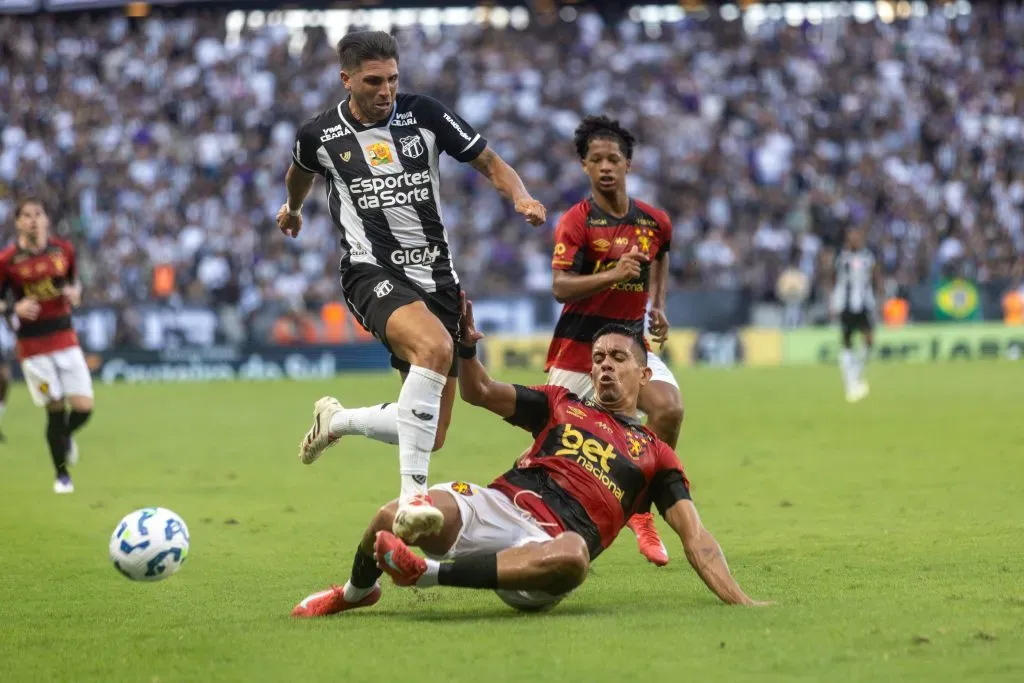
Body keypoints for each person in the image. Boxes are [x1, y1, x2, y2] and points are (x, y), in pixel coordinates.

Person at [291, 296, 767, 617]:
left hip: (547, 549)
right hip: (497, 506)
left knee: (575, 556)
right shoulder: (561, 403)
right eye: (598, 358)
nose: (603, 367)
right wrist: (466, 343)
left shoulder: (657, 455)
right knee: (394, 513)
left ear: (643, 375)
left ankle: (430, 576)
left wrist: (741, 602)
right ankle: (355, 593)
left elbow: (697, 538)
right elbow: (479, 391)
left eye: (618, 359)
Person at [276, 31, 547, 542]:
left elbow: (489, 161)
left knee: (430, 431)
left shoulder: (424, 114)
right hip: (370, 271)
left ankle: (336, 422)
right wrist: (292, 211)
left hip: (437, 279)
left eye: (393, 79)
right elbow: (299, 173)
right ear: (347, 79)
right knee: (434, 346)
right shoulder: (320, 135)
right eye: (374, 81)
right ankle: (412, 499)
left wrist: (521, 197)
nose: (386, 90)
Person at [544, 116, 684, 567]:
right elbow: (560, 287)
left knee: (668, 408)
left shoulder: (653, 220)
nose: (606, 167)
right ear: (584, 166)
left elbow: (660, 254)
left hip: (628, 345)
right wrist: (613, 274)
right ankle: (525, 525)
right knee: (552, 453)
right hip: (577, 351)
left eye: (614, 159)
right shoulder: (577, 221)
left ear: (629, 164)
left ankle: (640, 511)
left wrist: (657, 306)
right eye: (596, 160)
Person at [0, 199, 93, 493]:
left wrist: (75, 294)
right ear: (18, 223)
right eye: (26, 216)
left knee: (83, 407)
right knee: (54, 406)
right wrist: (14, 308)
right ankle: (62, 475)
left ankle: (64, 437)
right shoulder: (7, 261)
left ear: (46, 220)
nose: (33, 220)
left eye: (38, 214)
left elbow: (75, 284)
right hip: (32, 349)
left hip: (65, 339)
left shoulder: (63, 250)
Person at [830, 227, 881, 403]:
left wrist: (879, 298)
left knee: (869, 340)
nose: (855, 239)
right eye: (852, 236)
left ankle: (856, 374)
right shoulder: (841, 257)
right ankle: (850, 382)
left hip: (865, 304)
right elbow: (831, 277)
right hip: (846, 305)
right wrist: (833, 300)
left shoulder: (868, 257)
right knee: (847, 342)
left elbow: (876, 277)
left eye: (858, 236)